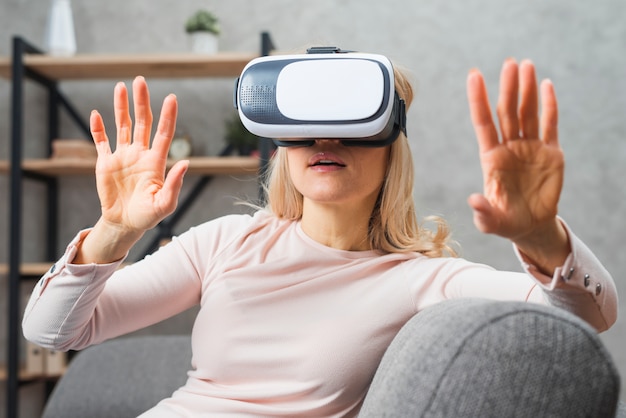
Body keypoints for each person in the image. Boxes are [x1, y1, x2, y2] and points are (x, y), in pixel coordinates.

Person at [23, 56, 617, 417]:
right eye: (304, 129)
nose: (324, 142)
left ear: (391, 150)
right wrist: (114, 230)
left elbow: (586, 318)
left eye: (350, 127)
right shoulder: (227, 240)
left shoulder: (421, 278)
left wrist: (543, 238)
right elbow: (53, 331)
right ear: (282, 145)